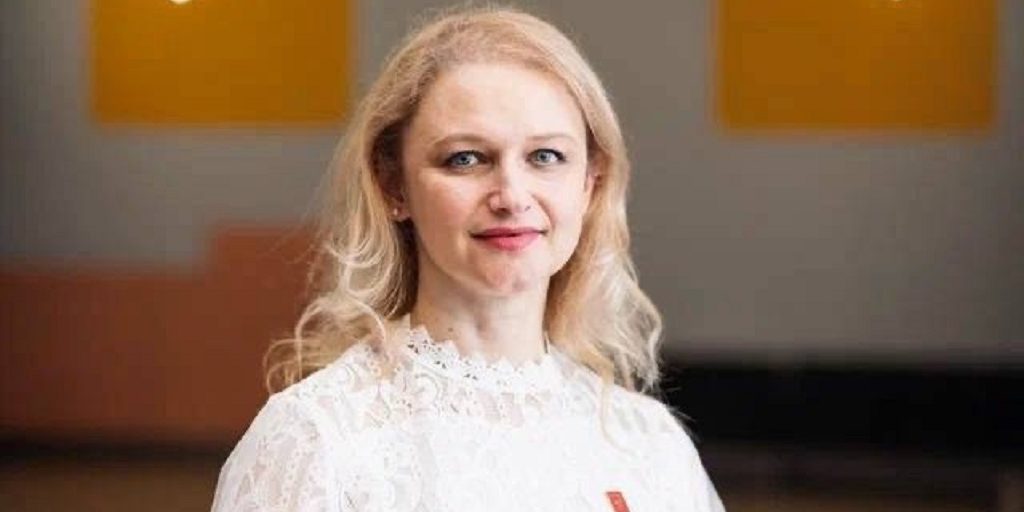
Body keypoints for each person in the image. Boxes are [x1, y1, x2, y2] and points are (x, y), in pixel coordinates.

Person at [212, 6, 725, 511]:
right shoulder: (317, 441)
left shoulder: (649, 445)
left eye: (546, 156)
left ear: (589, 184)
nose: (512, 195)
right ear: (394, 187)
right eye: (466, 159)